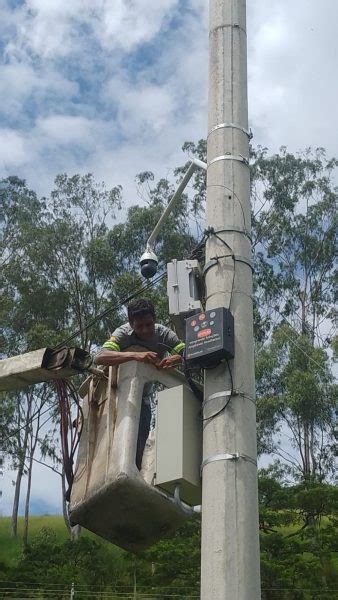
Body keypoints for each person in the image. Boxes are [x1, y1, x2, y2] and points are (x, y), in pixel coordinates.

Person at [95, 298, 185, 469]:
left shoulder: (164, 334)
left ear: (155, 319)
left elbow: (188, 351)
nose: (145, 331)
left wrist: (178, 358)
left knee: (137, 448)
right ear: (130, 323)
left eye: (149, 324)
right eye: (139, 326)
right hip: (115, 395)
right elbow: (100, 356)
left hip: (142, 398)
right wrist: (136, 356)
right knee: (109, 443)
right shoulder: (122, 333)